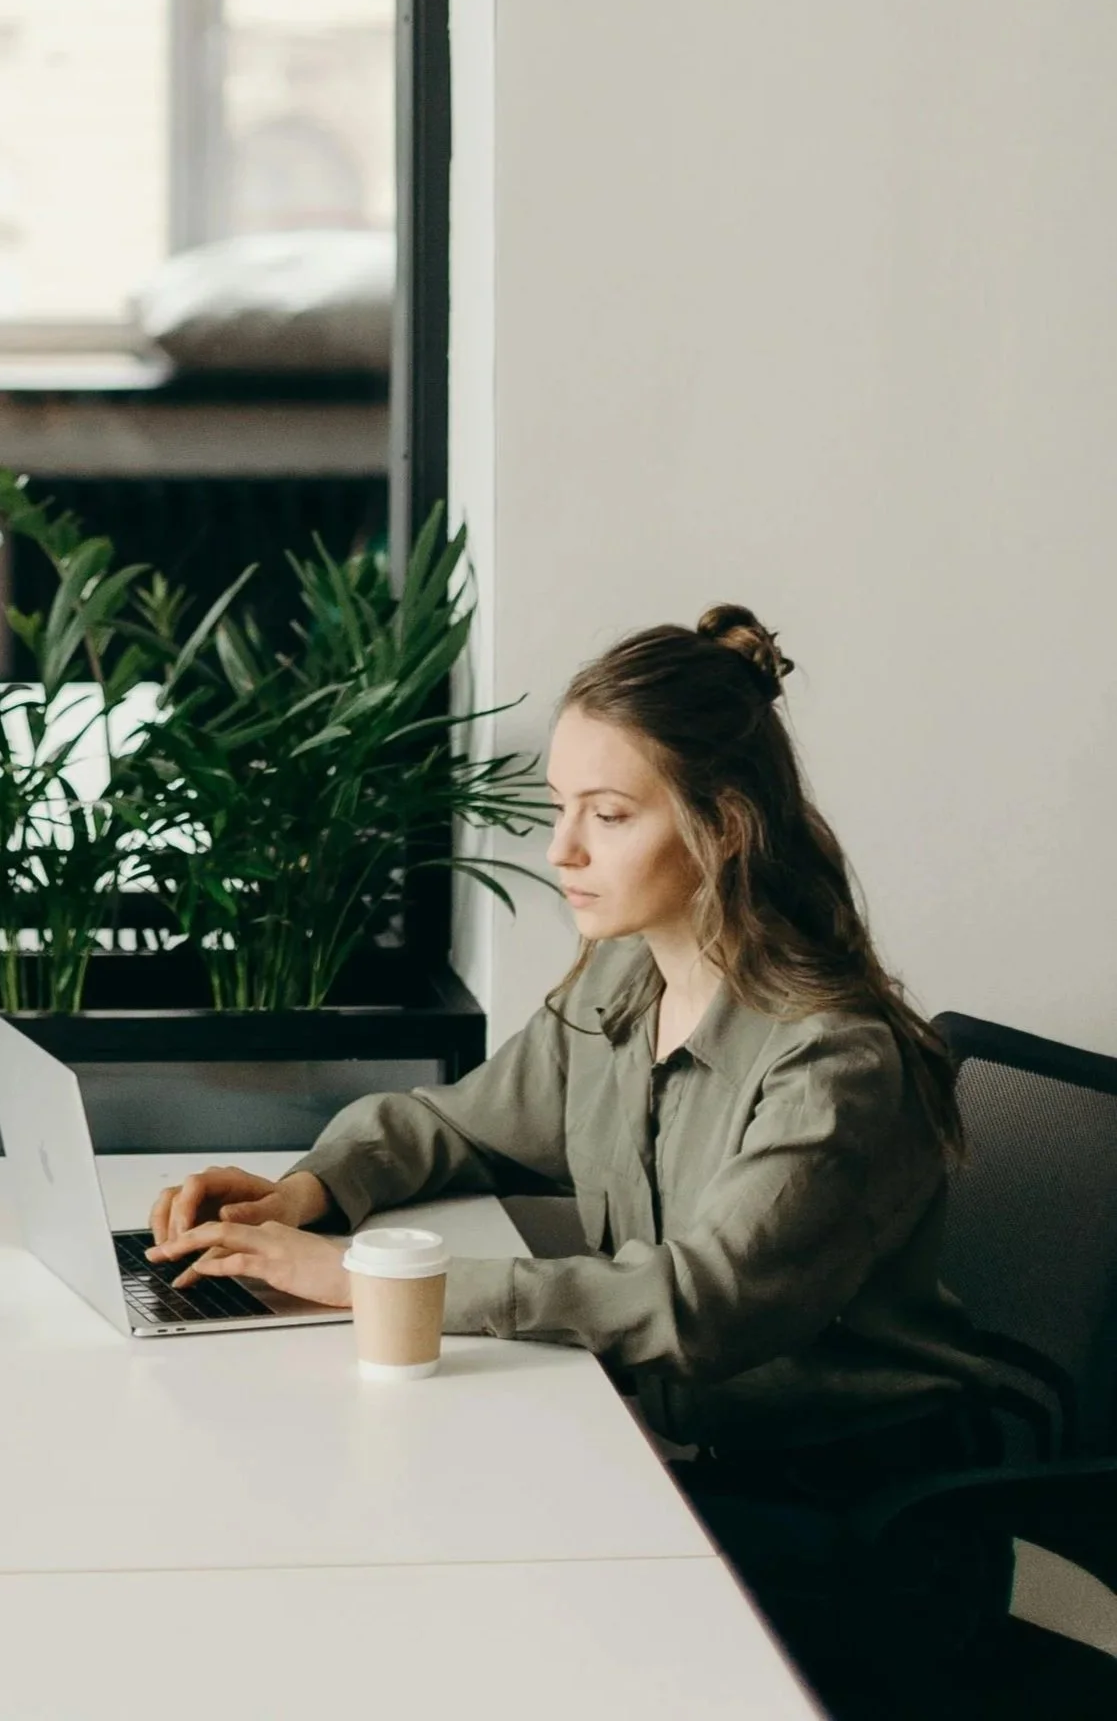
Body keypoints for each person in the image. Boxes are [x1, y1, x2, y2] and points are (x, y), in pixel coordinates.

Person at [147, 605, 1016, 1717]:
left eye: (607, 815)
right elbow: (462, 1123)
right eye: (563, 809)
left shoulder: (832, 1062)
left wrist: (367, 1281)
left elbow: (701, 1305)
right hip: (697, 1467)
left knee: (463, 1572)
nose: (561, 850)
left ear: (725, 827)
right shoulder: (623, 983)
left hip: (866, 1526)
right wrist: (310, 1189)